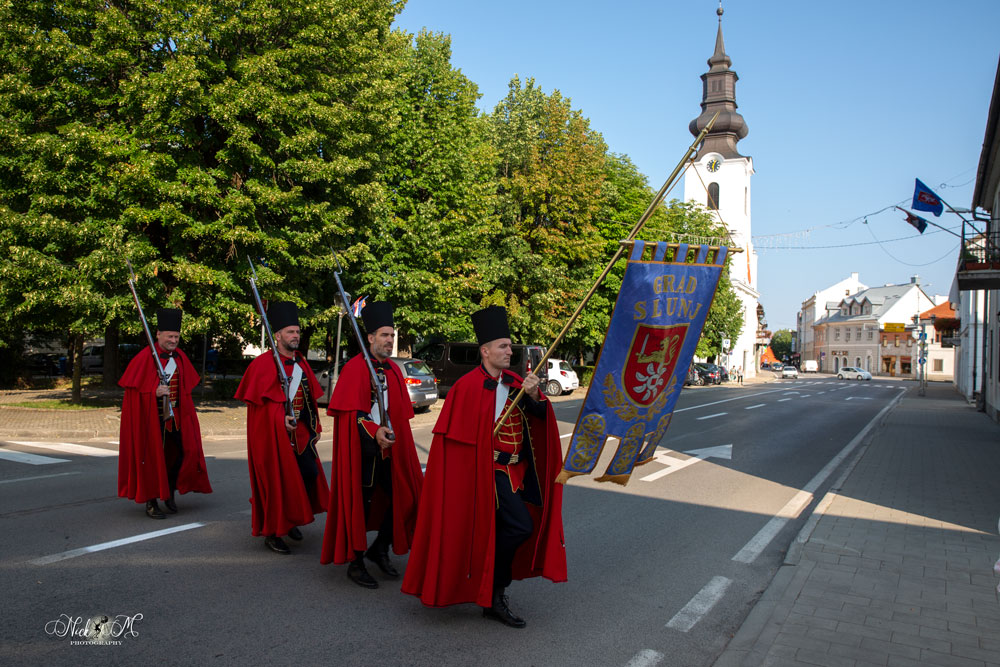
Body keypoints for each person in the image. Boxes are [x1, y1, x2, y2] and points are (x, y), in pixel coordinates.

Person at [402, 305, 566, 628]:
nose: (510, 351)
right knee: (519, 526)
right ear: (485, 351)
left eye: (510, 346)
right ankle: (493, 591)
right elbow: (452, 448)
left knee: (512, 529)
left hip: (516, 474)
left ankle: (491, 589)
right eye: (503, 346)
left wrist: (534, 395)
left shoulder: (516, 383)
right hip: (484, 475)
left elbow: (538, 418)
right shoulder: (465, 388)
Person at [320, 302, 423, 588]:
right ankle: (356, 563)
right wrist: (374, 430)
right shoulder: (355, 368)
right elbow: (351, 413)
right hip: (363, 452)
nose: (389, 340)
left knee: (405, 498)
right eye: (384, 335)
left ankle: (380, 547)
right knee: (360, 506)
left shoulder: (393, 370)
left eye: (392, 336)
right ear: (370, 338)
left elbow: (399, 413)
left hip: (391, 451)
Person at [235, 301, 329, 554]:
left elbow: (309, 401)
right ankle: (274, 533)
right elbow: (260, 410)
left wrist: (315, 427)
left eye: (297, 331)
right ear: (277, 336)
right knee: (278, 484)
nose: (296, 335)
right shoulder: (262, 365)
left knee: (308, 475)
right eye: (290, 332)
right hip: (272, 438)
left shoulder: (301, 363)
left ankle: (292, 518)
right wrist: (278, 420)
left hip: (301, 437)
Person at [118, 308, 213, 519]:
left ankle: (169, 490)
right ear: (158, 334)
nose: (173, 340)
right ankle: (151, 501)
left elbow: (186, 390)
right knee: (152, 459)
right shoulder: (144, 358)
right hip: (152, 420)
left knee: (184, 453)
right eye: (170, 336)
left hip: (176, 419)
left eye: (176, 337)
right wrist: (153, 392)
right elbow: (134, 394)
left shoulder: (179, 357)